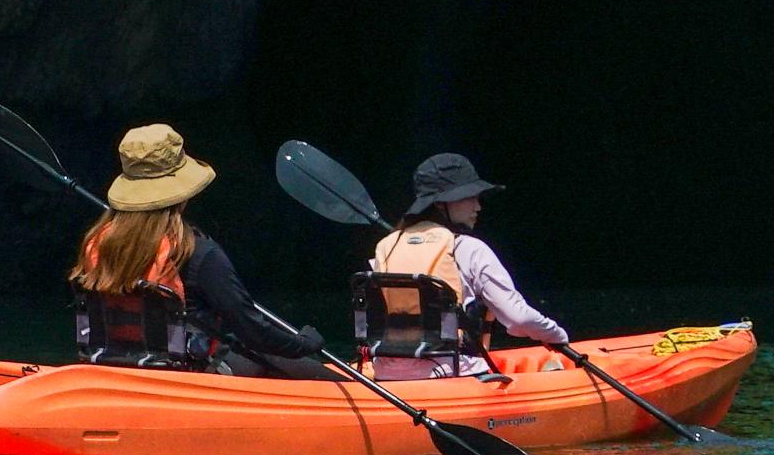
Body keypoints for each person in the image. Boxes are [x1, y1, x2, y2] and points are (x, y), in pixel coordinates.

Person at [69, 123, 336, 379]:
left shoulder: (98, 244)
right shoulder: (198, 253)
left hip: (113, 367)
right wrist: (302, 344)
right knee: (263, 352)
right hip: (189, 374)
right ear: (182, 194)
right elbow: (251, 329)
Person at [364, 151, 568, 376]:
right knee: (554, 367)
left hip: (386, 374)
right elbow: (518, 319)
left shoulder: (386, 247)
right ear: (442, 204)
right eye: (470, 197)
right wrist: (557, 336)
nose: (478, 206)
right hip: (454, 373)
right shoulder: (470, 249)